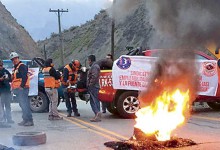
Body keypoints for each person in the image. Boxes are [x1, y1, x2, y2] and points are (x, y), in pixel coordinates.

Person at [9, 52, 34, 126]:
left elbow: (24, 77)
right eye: (13, 60)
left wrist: (22, 86)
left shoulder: (22, 66)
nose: (14, 60)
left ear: (18, 58)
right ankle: (25, 119)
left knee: (25, 104)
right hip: (18, 89)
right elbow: (14, 79)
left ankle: (29, 120)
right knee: (22, 104)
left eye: (15, 59)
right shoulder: (15, 68)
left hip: (23, 89)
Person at [87, 54, 101, 122]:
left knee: (95, 101)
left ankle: (97, 114)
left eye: (88, 60)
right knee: (93, 101)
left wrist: (90, 84)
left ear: (90, 60)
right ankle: (96, 114)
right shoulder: (94, 66)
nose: (88, 62)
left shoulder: (94, 67)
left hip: (94, 86)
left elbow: (94, 76)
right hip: (94, 86)